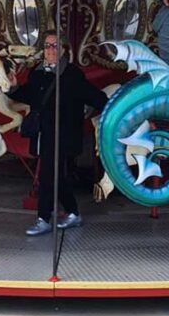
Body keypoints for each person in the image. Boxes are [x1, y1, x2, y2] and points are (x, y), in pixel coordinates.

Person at [9, 32, 108, 237]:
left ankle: (43, 218)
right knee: (56, 176)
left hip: (63, 134)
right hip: (44, 133)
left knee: (47, 175)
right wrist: (11, 88)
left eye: (55, 46)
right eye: (47, 46)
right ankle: (73, 213)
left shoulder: (72, 74)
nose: (50, 50)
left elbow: (93, 96)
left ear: (63, 50)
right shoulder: (37, 73)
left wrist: (115, 108)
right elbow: (28, 94)